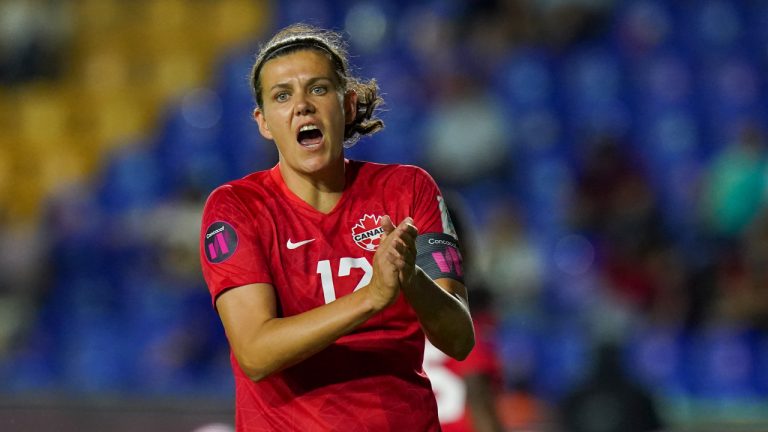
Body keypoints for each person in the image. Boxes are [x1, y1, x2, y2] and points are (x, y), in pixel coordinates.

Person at [199, 23, 475, 431]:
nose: (302, 106)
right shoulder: (237, 207)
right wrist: (372, 296)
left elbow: (459, 339)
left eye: (318, 89)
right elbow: (255, 353)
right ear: (263, 122)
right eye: (282, 95)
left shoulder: (408, 189)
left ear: (346, 105)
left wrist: (411, 279)